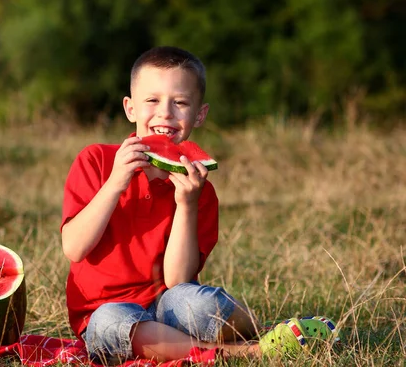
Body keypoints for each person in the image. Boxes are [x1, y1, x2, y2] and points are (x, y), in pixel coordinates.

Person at [60, 46, 324, 364]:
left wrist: (186, 204)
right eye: (152, 100)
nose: (166, 113)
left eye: (180, 102)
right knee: (111, 321)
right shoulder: (96, 161)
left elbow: (177, 281)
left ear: (199, 115)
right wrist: (116, 182)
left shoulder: (201, 191)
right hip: (103, 318)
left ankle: (262, 330)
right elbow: (74, 248)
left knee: (201, 304)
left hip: (169, 307)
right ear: (130, 108)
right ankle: (248, 351)